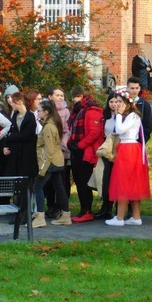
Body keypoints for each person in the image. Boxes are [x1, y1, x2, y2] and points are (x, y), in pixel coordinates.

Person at [106, 87, 151, 226]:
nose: (117, 104)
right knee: (131, 183)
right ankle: (136, 217)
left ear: (127, 102)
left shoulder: (132, 115)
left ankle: (119, 218)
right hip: (128, 148)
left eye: (120, 101)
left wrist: (118, 115)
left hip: (129, 149)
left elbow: (119, 130)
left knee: (124, 182)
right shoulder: (129, 116)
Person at [67, 92, 104, 223]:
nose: (75, 100)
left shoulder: (91, 111)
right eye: (74, 97)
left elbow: (94, 132)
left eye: (78, 97)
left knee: (84, 182)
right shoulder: (78, 111)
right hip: (77, 151)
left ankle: (87, 211)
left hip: (85, 152)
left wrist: (79, 145)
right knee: (79, 181)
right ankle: (84, 210)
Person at [32, 100, 69, 228]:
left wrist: (42, 169)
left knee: (37, 186)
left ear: (46, 112)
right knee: (59, 187)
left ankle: (40, 217)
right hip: (57, 161)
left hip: (50, 162)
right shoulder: (51, 123)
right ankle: (65, 215)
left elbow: (49, 150)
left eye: (39, 110)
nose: (38, 112)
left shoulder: (48, 127)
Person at [3, 91, 38, 224]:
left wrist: (12, 138)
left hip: (26, 157)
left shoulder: (29, 117)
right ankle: (17, 212)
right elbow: (12, 132)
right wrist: (6, 145)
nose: (11, 105)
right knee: (16, 186)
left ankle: (24, 214)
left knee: (25, 187)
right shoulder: (15, 116)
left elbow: (27, 136)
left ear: (19, 102)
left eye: (13, 102)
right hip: (15, 156)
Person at [94, 92, 118, 221]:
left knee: (117, 181)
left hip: (118, 152)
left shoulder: (123, 117)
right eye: (111, 102)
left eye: (116, 101)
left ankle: (119, 208)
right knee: (105, 180)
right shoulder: (105, 116)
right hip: (106, 152)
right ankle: (106, 207)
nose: (114, 104)